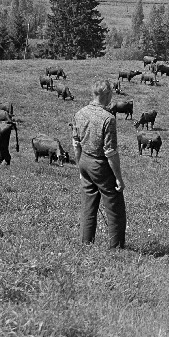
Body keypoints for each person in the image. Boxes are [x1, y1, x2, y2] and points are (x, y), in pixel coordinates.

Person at [71, 79, 127, 249]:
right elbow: (110, 152)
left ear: (93, 94)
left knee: (88, 205)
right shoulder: (108, 119)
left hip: (85, 161)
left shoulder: (80, 113)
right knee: (115, 207)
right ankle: (116, 248)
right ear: (108, 95)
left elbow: (76, 142)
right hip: (100, 165)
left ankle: (86, 243)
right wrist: (118, 178)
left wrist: (79, 165)